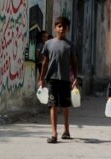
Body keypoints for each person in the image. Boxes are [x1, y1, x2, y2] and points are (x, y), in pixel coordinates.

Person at [38, 16, 78, 144]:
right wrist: (42, 78)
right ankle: (54, 133)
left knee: (65, 105)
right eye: (59, 26)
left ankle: (66, 130)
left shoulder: (70, 45)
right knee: (53, 106)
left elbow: (74, 63)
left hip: (66, 79)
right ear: (55, 28)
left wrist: (75, 78)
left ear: (67, 29)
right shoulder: (48, 44)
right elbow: (45, 62)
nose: (62, 29)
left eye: (64, 27)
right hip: (52, 79)